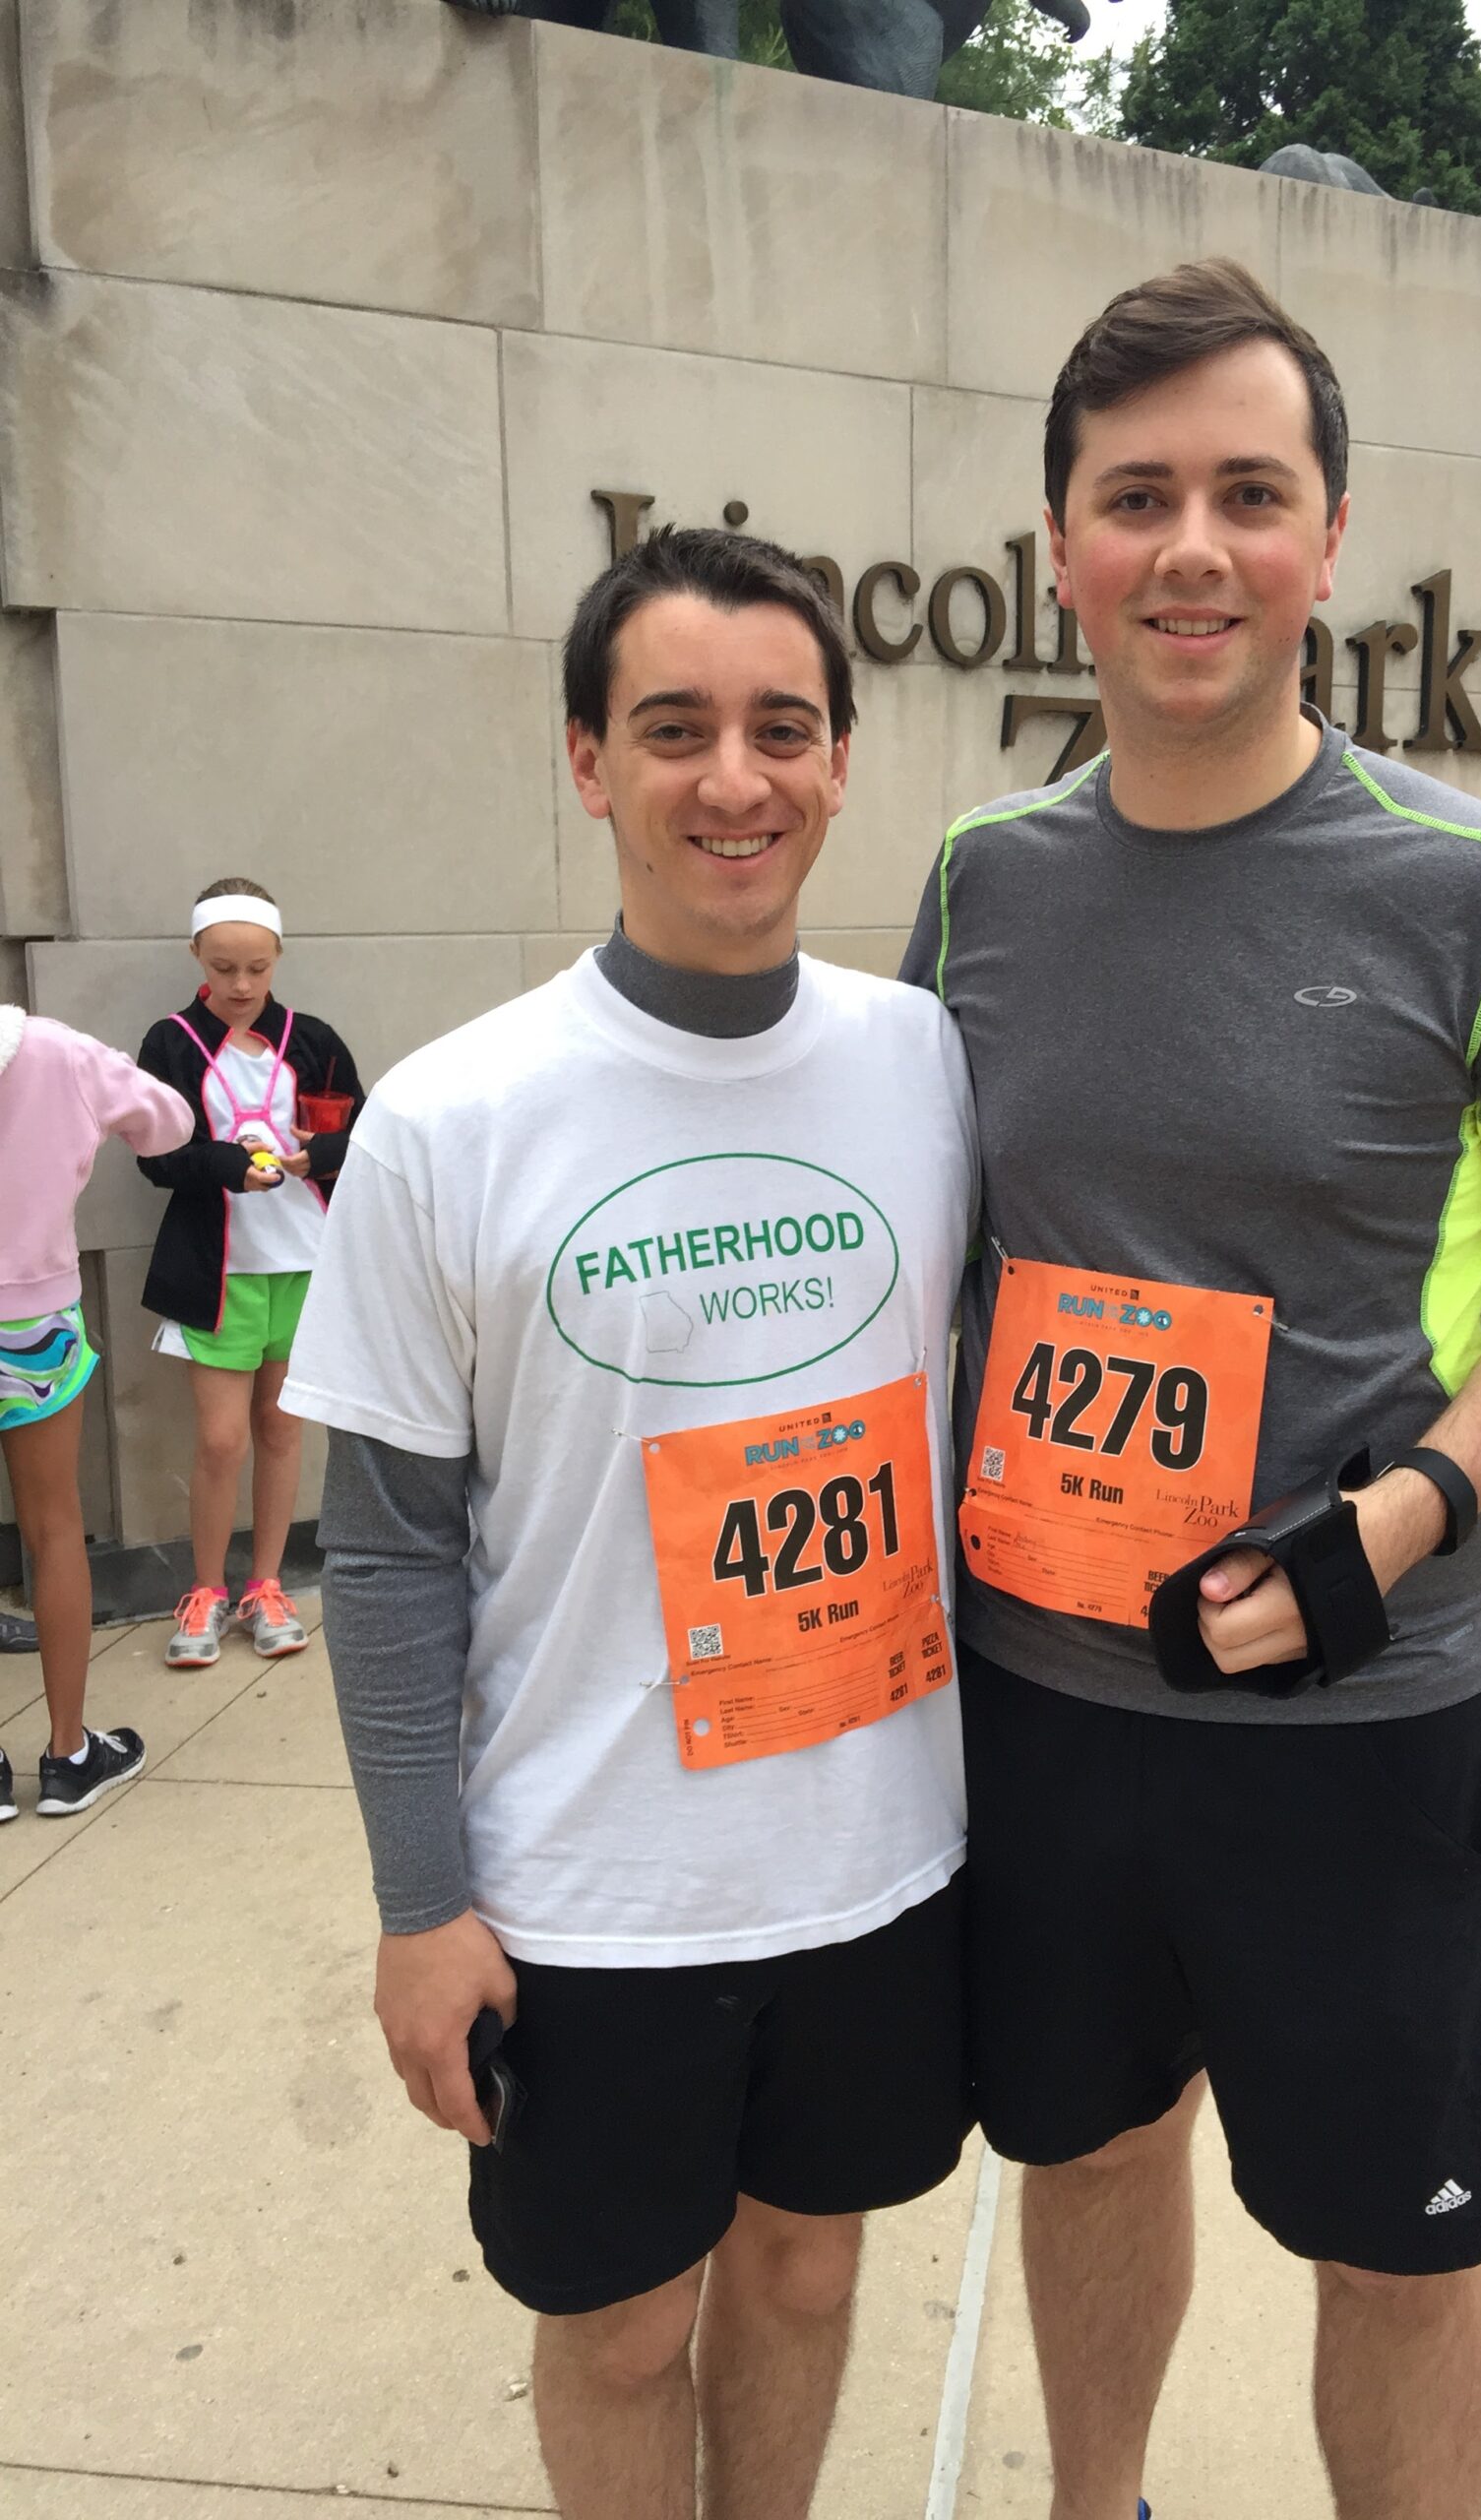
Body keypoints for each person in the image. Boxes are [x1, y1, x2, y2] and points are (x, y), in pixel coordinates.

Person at [900, 259, 1481, 2520]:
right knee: (1087, 2146)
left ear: (1329, 537)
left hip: (1367, 1709)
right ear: (1062, 542)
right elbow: (930, 1257)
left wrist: (1402, 1514)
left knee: (1396, 2241)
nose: (1194, 546)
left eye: (1249, 492)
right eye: (1137, 495)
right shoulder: (978, 882)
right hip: (1047, 1701)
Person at [280, 528, 978, 2520]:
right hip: (588, 1892)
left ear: (841, 761)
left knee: (809, 2267)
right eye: (674, 729)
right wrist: (421, 1903)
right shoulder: (455, 1117)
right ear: (588, 760)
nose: (732, 779)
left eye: (781, 728)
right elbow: (389, 1553)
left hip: (875, 1856)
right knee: (616, 2330)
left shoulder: (924, 1060)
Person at [135, 880, 362, 1669]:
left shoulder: (312, 1039)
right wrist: (229, 1166)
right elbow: (155, 1157)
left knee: (281, 1428)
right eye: (224, 967)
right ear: (196, 956)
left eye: (257, 968)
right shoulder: (171, 1043)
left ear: (278, 958)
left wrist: (315, 1154)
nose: (240, 985)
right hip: (217, 1271)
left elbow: (362, 1129)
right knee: (222, 1440)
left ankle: (267, 1587)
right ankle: (204, 1591)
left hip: (304, 1262)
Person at [0, 1002, 193, 1821]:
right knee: (54, 1529)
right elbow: (170, 1124)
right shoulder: (54, 1051)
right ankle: (69, 1754)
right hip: (33, 1323)